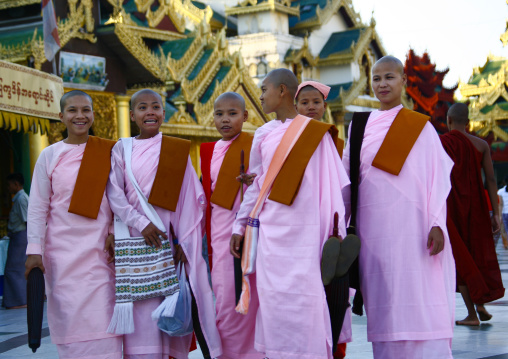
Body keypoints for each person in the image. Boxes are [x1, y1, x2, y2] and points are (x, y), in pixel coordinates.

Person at [230, 69, 351, 359]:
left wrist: (335, 232)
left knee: (307, 300)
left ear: (282, 90)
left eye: (263, 89)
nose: (259, 96)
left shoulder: (315, 133)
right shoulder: (262, 133)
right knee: (274, 301)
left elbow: (333, 187)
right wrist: (239, 226)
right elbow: (257, 185)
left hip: (307, 233)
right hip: (272, 232)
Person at [342, 56, 456, 358]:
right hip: (373, 231)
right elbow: (345, 180)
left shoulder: (420, 127)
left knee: (418, 293)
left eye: (389, 77)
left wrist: (436, 223)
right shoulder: (359, 126)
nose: (383, 84)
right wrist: (338, 226)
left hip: (414, 229)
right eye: (377, 79)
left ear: (403, 81)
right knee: (385, 302)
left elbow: (437, 178)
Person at [106, 89, 221, 359]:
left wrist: (184, 241)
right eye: (143, 107)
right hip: (133, 239)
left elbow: (191, 200)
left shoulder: (175, 150)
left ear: (163, 113)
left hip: (167, 242)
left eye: (155, 107)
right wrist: (140, 222)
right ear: (132, 115)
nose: (150, 112)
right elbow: (114, 193)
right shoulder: (122, 148)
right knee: (142, 310)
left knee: (170, 304)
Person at [25, 90, 121, 358]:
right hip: (62, 258)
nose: (80, 116)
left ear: (93, 114)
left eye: (85, 110)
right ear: (61, 116)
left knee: (105, 325)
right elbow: (37, 208)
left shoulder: (110, 151)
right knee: (70, 327)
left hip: (100, 254)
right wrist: (35, 250)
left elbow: (120, 199)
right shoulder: (50, 155)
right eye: (72, 111)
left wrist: (114, 232)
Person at [200, 92, 263, 359]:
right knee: (226, 299)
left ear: (245, 117)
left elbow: (269, 181)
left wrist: (255, 181)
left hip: (252, 231)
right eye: (219, 114)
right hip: (219, 234)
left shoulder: (257, 145)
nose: (225, 120)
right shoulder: (208, 151)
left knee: (253, 296)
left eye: (233, 114)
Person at [295, 80, 351, 359]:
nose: (310, 107)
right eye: (304, 102)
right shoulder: (287, 137)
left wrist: (340, 221)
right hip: (301, 219)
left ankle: (334, 341)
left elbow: (337, 183)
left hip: (327, 215)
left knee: (332, 279)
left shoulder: (329, 136)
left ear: (324, 106)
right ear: (295, 106)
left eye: (315, 102)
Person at [440, 103, 505, 326]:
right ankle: (480, 305)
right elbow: (492, 180)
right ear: (467, 123)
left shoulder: (442, 143)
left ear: (449, 120)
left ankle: (472, 314)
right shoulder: (481, 145)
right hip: (477, 208)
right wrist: (496, 214)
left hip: (453, 207)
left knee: (461, 257)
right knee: (476, 255)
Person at [3, 173, 29, 309]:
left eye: (9, 185)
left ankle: (20, 300)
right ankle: (18, 300)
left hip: (21, 236)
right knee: (15, 269)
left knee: (14, 270)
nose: (8, 188)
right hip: (18, 236)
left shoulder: (21, 199)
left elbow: (27, 220)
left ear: (16, 184)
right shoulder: (19, 199)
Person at [497, 177, 508, 249]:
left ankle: (506, 244)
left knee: (505, 230)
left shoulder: (500, 191)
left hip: (504, 213)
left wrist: (499, 216)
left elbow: (500, 204)